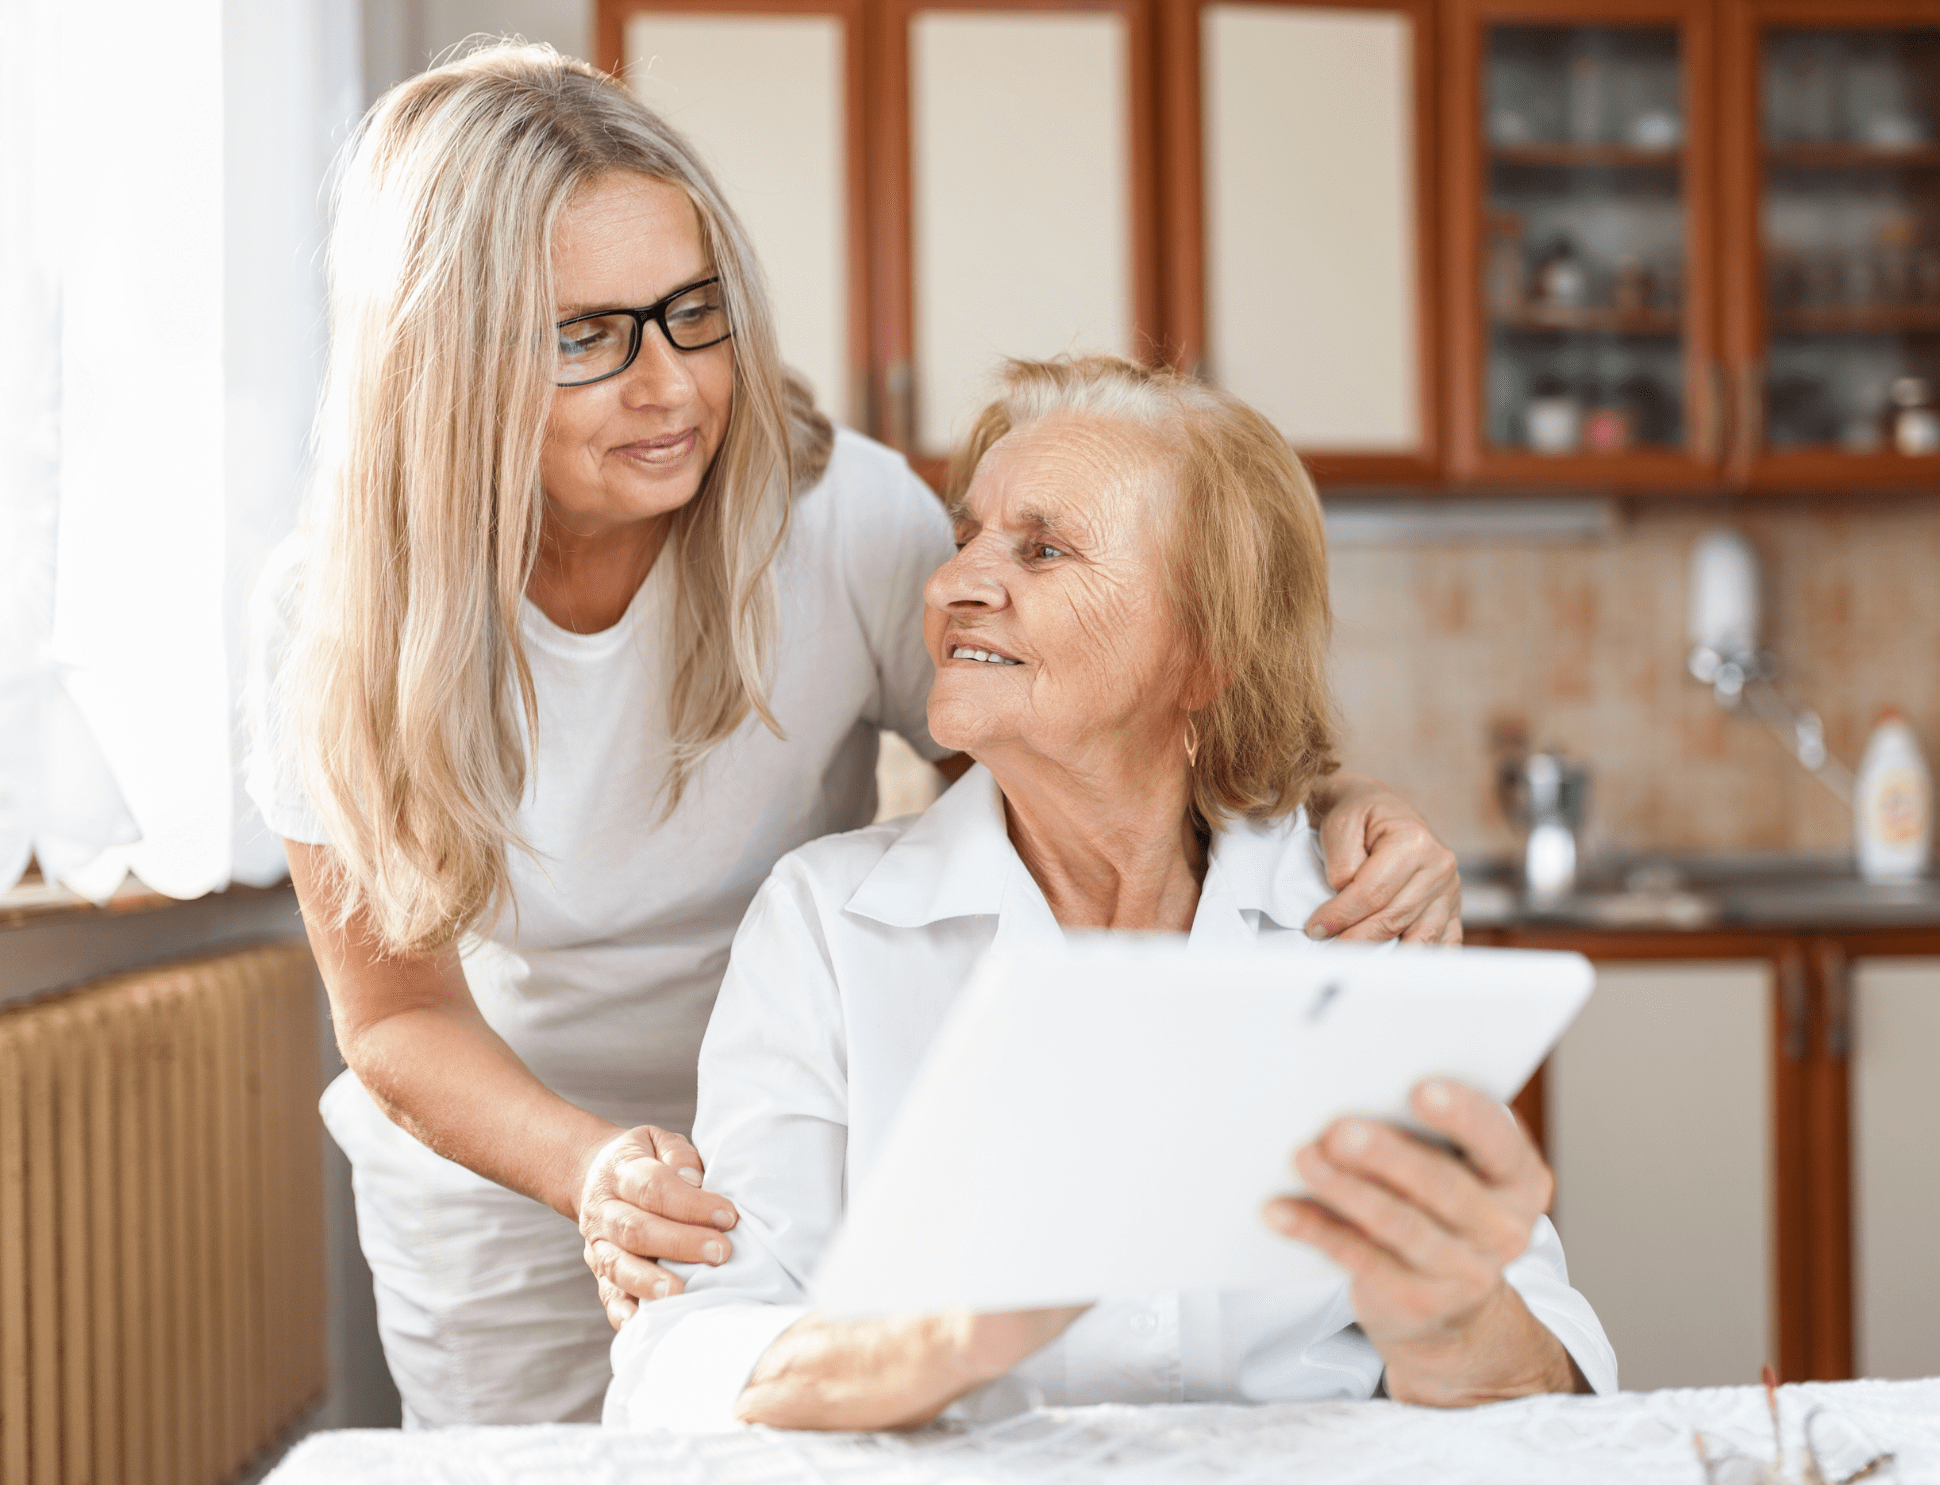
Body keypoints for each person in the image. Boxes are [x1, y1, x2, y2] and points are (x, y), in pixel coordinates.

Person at [245, 45, 1468, 1427]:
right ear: (444, 361)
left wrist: (1331, 803)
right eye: (586, 337)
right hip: (515, 1158)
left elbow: (1073, 750)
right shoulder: (334, 615)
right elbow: (397, 1012)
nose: (671, 388)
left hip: (817, 1120)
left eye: (694, 313)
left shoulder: (839, 522)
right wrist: (594, 1172)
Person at [604, 357, 1615, 1431]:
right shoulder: (827, 925)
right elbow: (687, 1353)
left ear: (1208, 653)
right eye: (966, 538)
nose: (952, 586)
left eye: (1043, 549)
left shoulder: (1358, 919)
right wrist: (941, 1342)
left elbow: (1544, 1378)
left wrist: (1451, 1328)